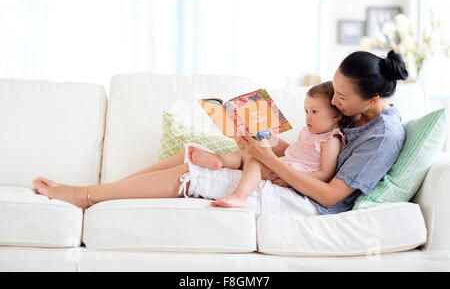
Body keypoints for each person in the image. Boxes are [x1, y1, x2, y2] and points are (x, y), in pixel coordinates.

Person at [32, 49, 407, 217]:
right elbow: (306, 153)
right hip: (289, 177)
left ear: (372, 98)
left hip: (304, 202)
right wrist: (267, 142)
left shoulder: (383, 135)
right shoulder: (352, 115)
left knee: (190, 174)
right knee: (189, 153)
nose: (335, 103)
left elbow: (327, 194)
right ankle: (102, 196)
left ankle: (86, 196)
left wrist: (264, 158)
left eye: (341, 98)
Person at [187, 81, 347, 209]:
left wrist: (291, 180)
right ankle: (219, 160)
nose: (308, 117)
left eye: (314, 112)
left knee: (255, 161)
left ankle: (239, 197)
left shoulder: (331, 140)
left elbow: (325, 174)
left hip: (292, 175)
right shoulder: (309, 133)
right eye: (306, 112)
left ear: (335, 114)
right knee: (246, 153)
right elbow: (294, 152)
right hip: (285, 166)